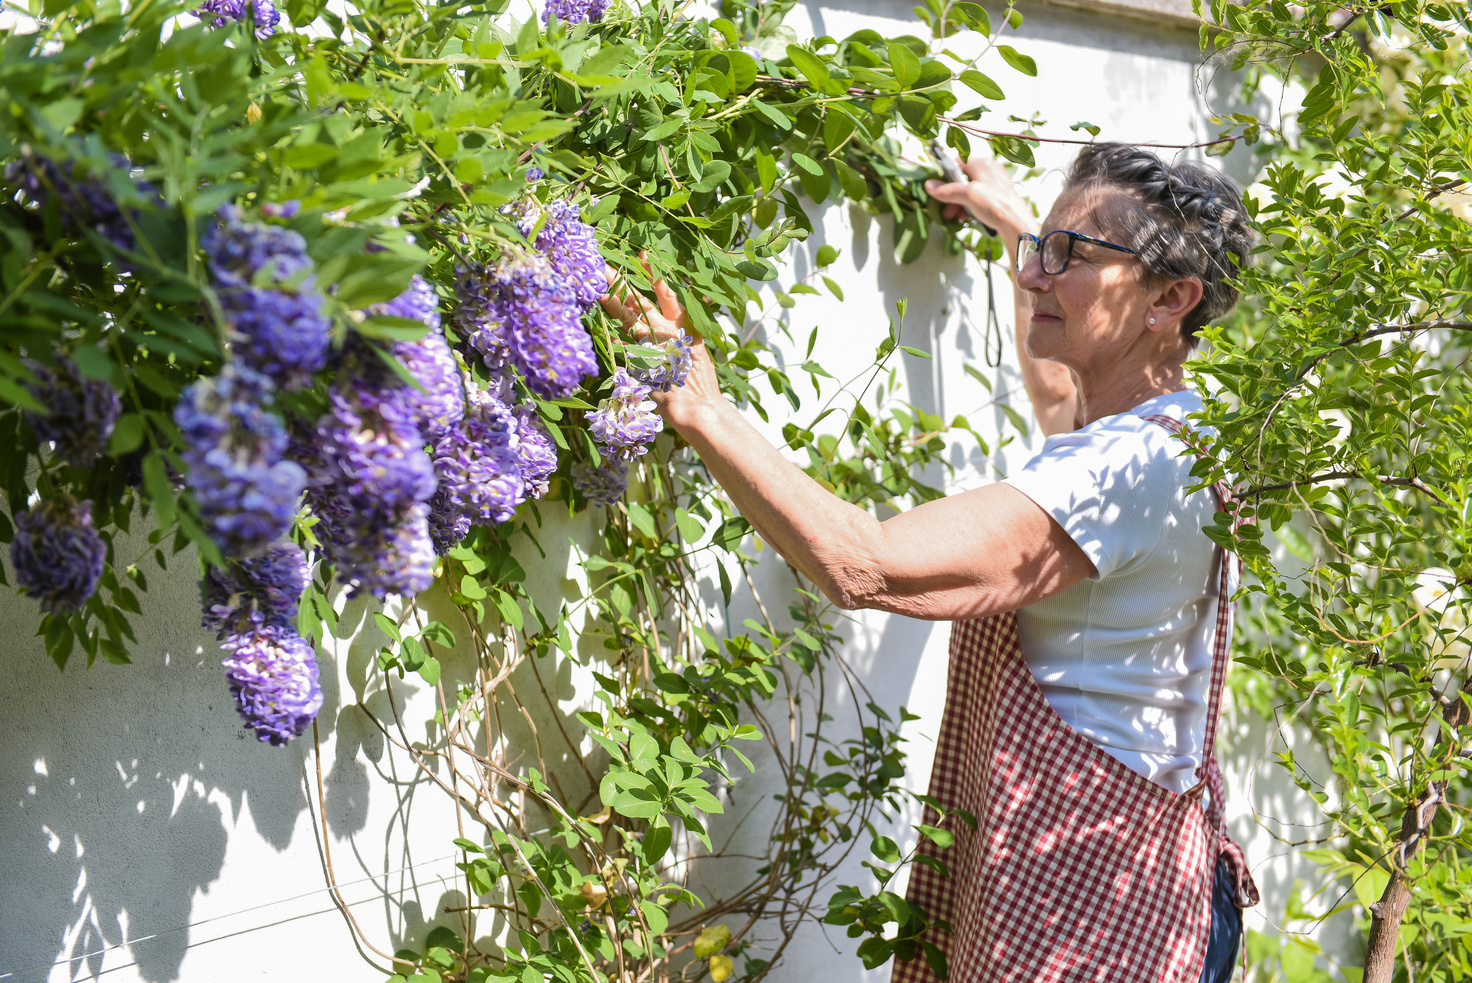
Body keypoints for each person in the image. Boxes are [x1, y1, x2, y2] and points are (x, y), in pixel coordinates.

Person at [599, 142, 1258, 983]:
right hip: (1158, 876)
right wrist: (1018, 224)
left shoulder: (1123, 471)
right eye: (1040, 253)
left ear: (1171, 298)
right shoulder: (1184, 431)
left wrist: (701, 406)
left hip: (1093, 906)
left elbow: (865, 564)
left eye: (1071, 258)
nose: (1034, 278)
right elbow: (1062, 407)